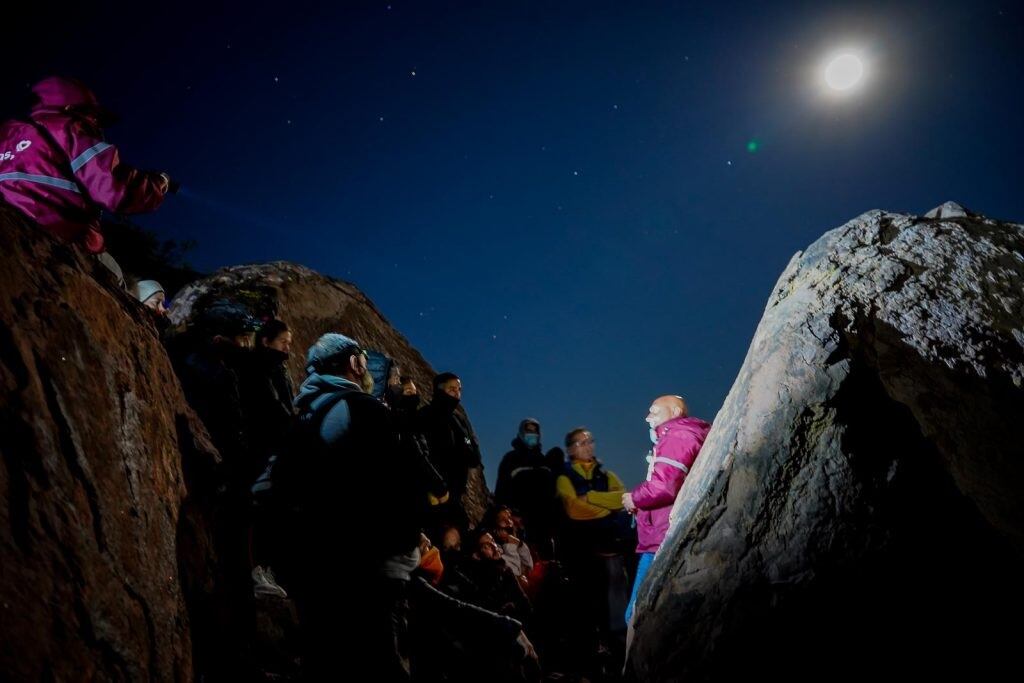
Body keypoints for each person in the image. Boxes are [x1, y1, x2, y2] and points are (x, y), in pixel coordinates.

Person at [289, 333, 429, 681]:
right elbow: (392, 479)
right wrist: (408, 539)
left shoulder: (304, 410)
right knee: (380, 656)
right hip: (368, 556)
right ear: (354, 363)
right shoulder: (363, 408)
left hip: (316, 554)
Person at [0, 77, 172, 285]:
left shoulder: (7, 133)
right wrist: (157, 184)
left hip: (12, 232)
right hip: (64, 238)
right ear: (71, 107)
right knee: (116, 275)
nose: (97, 125)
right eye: (93, 116)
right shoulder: (69, 129)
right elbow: (114, 189)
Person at [622, 395, 711, 624]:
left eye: (653, 411)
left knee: (636, 614)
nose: (647, 417)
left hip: (660, 539)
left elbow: (664, 487)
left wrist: (634, 498)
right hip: (661, 535)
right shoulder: (678, 436)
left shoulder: (677, 436)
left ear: (674, 411)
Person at [418, 372, 482, 526]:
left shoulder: (459, 420)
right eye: (452, 389)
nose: (457, 393)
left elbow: (474, 455)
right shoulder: (425, 415)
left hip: (455, 496)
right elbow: (420, 454)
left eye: (459, 389)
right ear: (440, 389)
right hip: (432, 496)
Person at [495, 419, 562, 558]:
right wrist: (508, 516)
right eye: (528, 431)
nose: (532, 435)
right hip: (520, 524)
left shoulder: (544, 462)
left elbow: (553, 493)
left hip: (544, 525)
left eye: (535, 432)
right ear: (521, 433)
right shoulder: (510, 459)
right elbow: (501, 491)